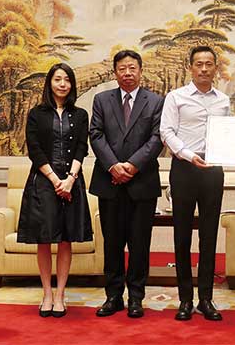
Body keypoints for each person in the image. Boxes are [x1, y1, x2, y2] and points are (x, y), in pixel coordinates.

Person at [89, 50, 164, 319]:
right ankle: (113, 296)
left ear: (140, 71)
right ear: (115, 72)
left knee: (139, 244)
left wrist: (132, 165)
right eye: (122, 68)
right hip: (109, 181)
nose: (128, 73)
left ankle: (136, 297)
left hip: (142, 182)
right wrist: (113, 166)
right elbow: (96, 134)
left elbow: (157, 137)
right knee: (112, 243)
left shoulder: (156, 101)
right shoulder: (102, 100)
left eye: (132, 68)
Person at [17, 63, 92, 318]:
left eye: (67, 80)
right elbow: (34, 149)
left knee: (65, 238)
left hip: (72, 180)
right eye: (58, 79)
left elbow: (82, 147)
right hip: (43, 181)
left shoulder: (80, 114)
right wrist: (54, 179)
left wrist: (70, 179)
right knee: (44, 238)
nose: (62, 84)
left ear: (72, 84)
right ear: (49, 83)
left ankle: (60, 294)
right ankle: (47, 293)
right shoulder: (36, 114)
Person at [160, 45, 230, 321]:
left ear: (215, 68)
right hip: (184, 168)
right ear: (190, 67)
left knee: (209, 235)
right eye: (198, 64)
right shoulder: (176, 97)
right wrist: (189, 155)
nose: (203, 68)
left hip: (213, 170)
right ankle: (185, 299)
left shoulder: (223, 100)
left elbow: (227, 134)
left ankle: (206, 299)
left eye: (208, 64)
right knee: (182, 236)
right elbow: (166, 131)